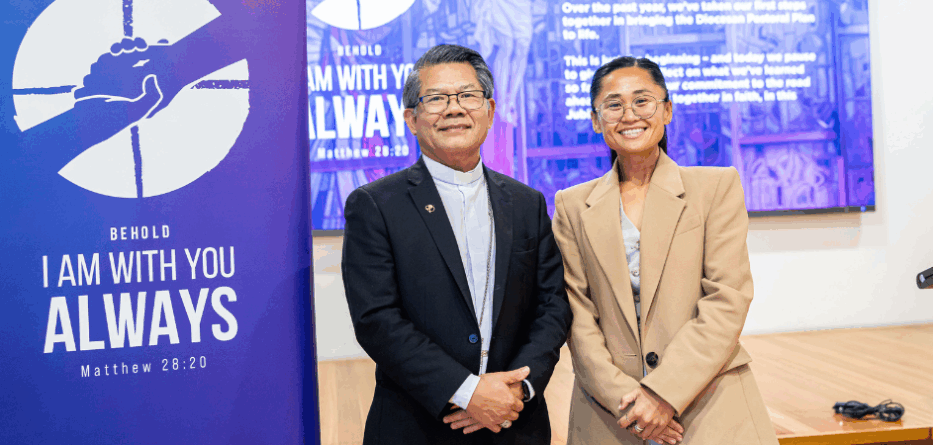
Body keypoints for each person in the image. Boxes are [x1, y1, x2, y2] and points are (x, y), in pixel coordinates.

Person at [341, 44, 572, 445]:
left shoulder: (526, 203)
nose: (454, 109)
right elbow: (377, 320)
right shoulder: (375, 205)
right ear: (412, 119)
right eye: (436, 99)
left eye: (467, 95)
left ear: (490, 110)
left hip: (514, 423)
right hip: (419, 425)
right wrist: (467, 391)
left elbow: (552, 306)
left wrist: (518, 389)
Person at [551, 56, 780, 445]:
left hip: (709, 405)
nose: (629, 115)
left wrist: (662, 394)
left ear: (667, 110)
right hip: (611, 415)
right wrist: (629, 403)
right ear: (596, 120)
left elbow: (727, 299)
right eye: (613, 104)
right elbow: (577, 315)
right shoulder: (571, 205)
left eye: (642, 101)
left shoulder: (715, 188)